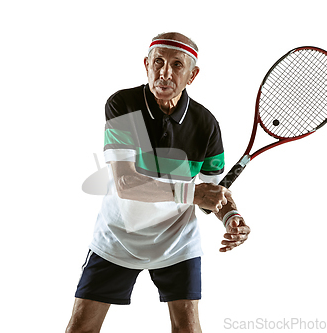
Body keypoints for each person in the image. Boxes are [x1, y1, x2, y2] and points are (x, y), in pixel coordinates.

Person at [66, 32, 251, 333]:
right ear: (146, 65)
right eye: (159, 62)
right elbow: (126, 182)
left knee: (187, 329)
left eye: (177, 65)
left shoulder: (206, 124)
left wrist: (231, 216)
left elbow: (214, 193)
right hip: (117, 236)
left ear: (193, 75)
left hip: (177, 242)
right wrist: (193, 193)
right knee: (81, 328)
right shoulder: (122, 104)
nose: (165, 73)